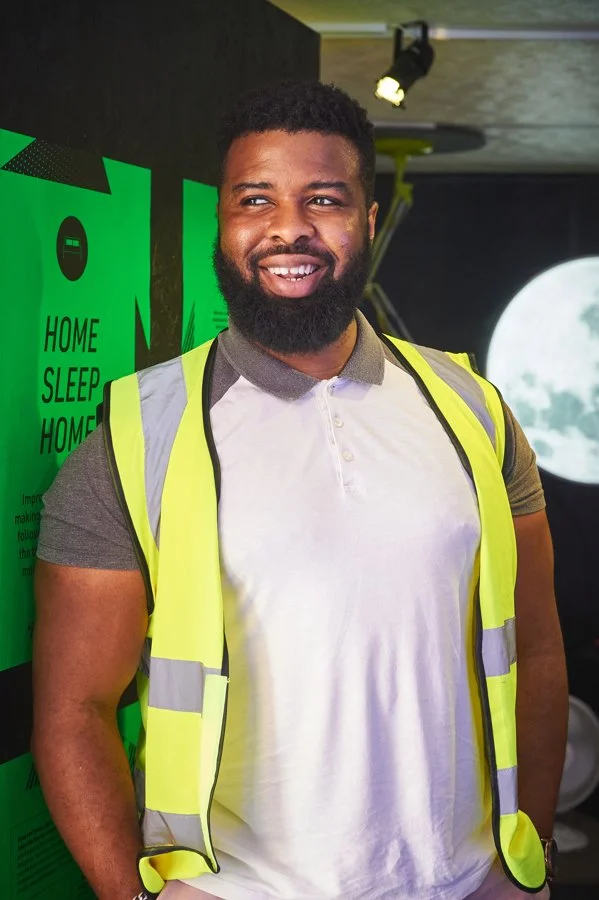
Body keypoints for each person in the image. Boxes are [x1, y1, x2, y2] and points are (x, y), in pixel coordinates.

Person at [33, 80, 568, 900]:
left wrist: (523, 865)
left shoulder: (473, 413)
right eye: (256, 199)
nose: (288, 227)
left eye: (323, 199)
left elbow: (533, 650)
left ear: (368, 223)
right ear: (221, 220)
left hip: (465, 885)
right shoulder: (136, 440)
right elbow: (74, 710)